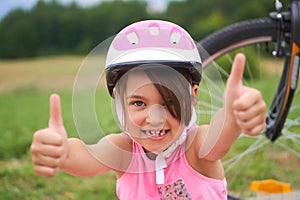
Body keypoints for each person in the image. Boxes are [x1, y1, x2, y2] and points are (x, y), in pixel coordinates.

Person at [30, 20, 266, 199]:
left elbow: (220, 134)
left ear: (193, 97)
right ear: (120, 103)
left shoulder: (196, 147)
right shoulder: (122, 150)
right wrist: (61, 152)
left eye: (169, 101)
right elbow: (84, 155)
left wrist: (235, 116)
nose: (154, 118)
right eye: (139, 103)